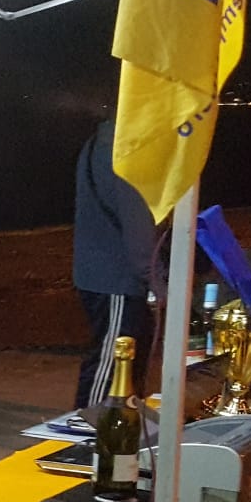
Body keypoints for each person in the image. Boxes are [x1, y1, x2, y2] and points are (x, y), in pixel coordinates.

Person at [72, 115, 159, 410]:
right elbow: (139, 231)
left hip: (100, 272)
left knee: (119, 362)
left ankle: (117, 422)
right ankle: (88, 427)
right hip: (116, 278)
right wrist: (158, 281)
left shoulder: (98, 141)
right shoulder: (126, 153)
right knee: (110, 363)